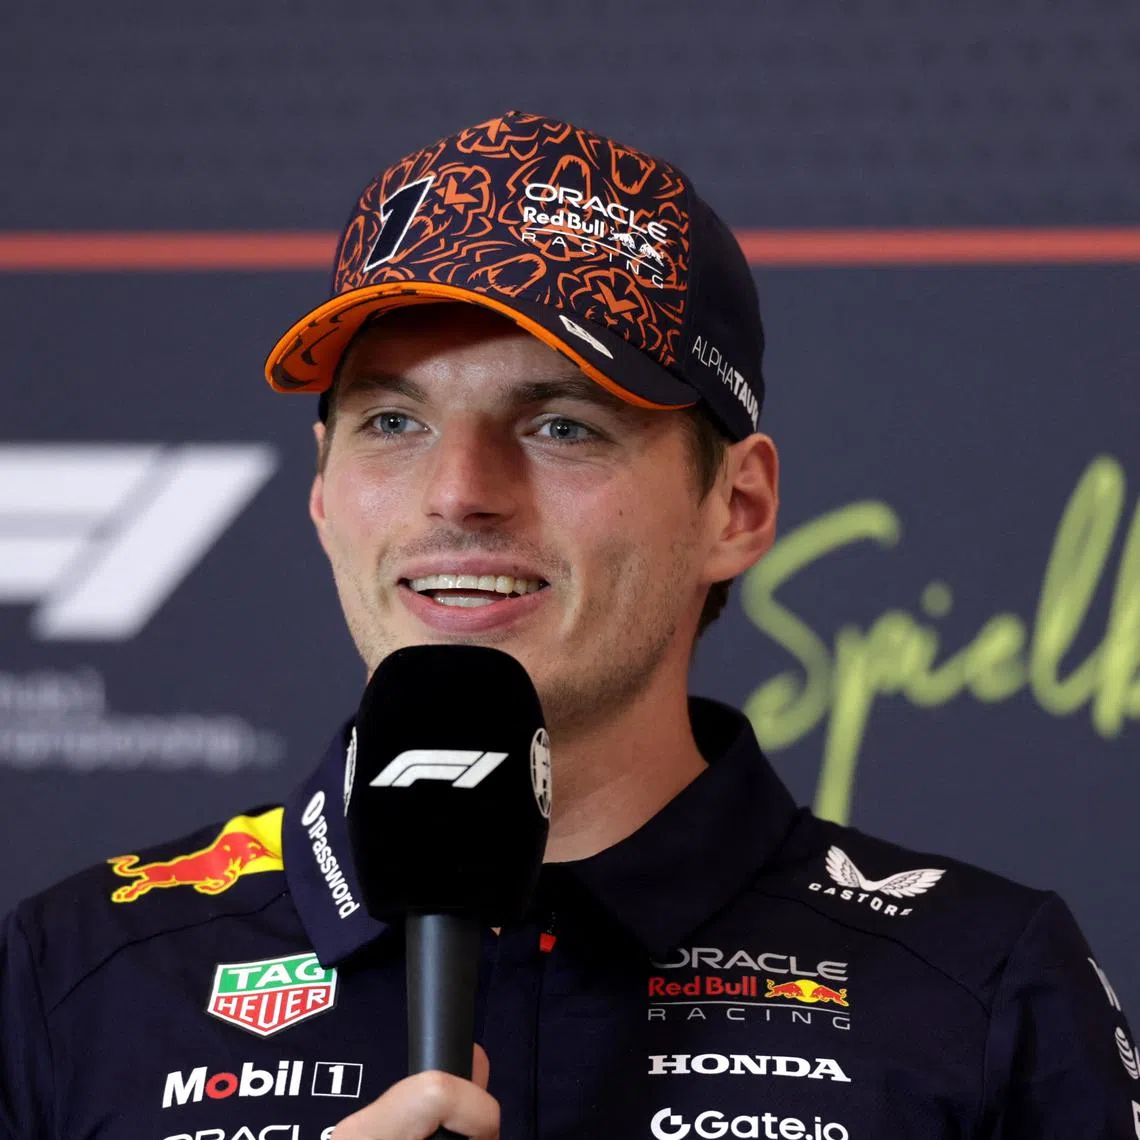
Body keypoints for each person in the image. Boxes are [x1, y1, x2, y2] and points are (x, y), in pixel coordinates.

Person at [1, 111, 1136, 1140]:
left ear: (735, 508)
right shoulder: (75, 976)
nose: (458, 491)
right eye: (393, 420)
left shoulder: (980, 984)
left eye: (562, 426)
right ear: (322, 490)